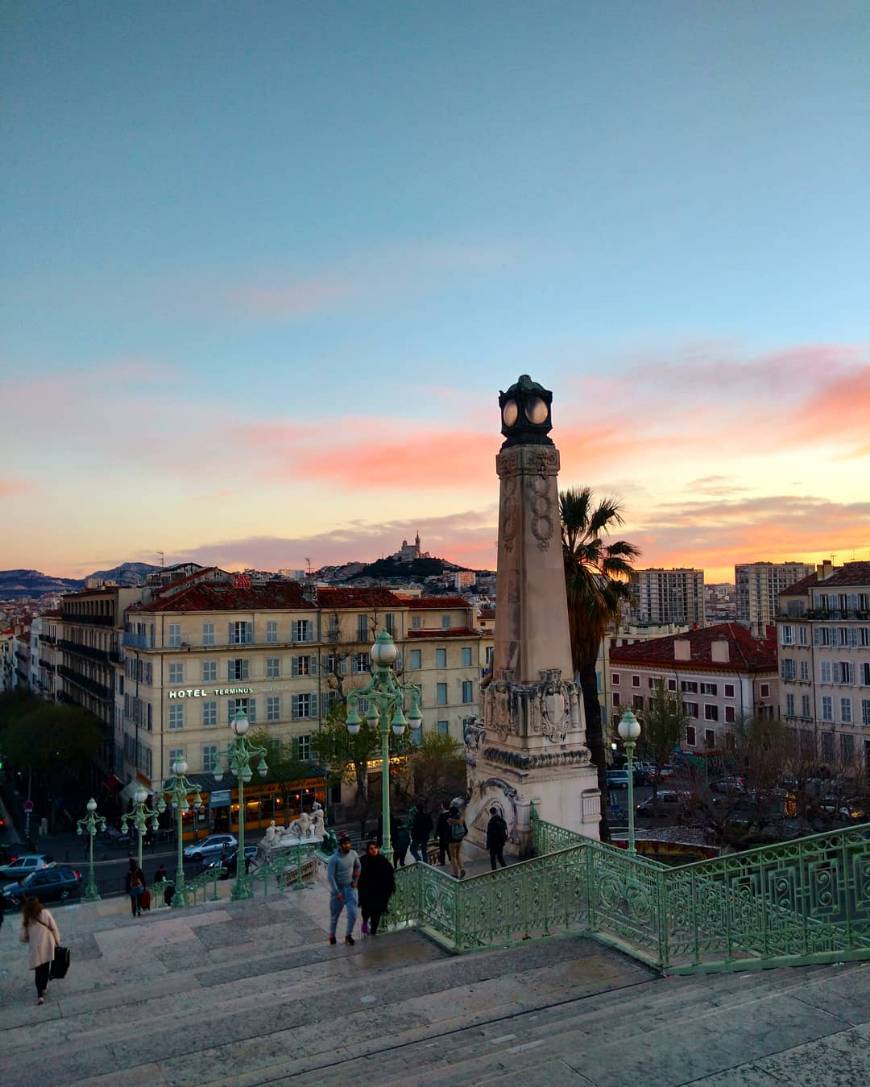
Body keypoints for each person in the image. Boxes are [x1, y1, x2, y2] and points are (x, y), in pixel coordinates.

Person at [20, 897, 60, 1006]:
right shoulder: (45, 913)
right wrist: (57, 940)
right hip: (47, 944)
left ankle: (40, 996)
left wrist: (31, 936)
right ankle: (44, 987)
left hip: (36, 948)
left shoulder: (27, 918)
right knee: (46, 968)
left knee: (38, 971)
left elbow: (23, 937)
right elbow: (53, 927)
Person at [326, 832, 360, 946]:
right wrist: (336, 892)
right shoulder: (334, 859)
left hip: (350, 888)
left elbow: (358, 866)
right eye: (345, 844)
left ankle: (348, 935)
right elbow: (330, 877)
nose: (348, 846)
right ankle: (332, 935)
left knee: (353, 914)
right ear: (340, 845)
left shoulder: (354, 854)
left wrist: (355, 881)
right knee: (335, 915)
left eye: (349, 843)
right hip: (338, 890)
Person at [357, 839, 395, 936]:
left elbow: (390, 874)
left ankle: (373, 931)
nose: (374, 850)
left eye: (375, 848)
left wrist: (388, 889)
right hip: (367, 892)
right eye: (371, 848)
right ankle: (365, 923)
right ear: (368, 850)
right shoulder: (363, 860)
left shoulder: (383, 861)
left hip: (379, 893)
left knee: (376, 913)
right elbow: (358, 875)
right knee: (366, 911)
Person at [446, 804, 467, 878]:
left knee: (453, 857)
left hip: (452, 841)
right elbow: (466, 830)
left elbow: (447, 830)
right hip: (459, 840)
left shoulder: (449, 820)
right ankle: (462, 869)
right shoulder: (461, 819)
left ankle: (455, 873)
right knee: (458, 856)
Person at [435, 800, 451, 866]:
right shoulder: (451, 814)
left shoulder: (442, 815)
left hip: (443, 835)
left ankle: (442, 862)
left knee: (442, 849)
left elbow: (439, 826)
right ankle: (451, 860)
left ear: (443, 806)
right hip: (450, 835)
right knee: (449, 848)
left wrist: (436, 834)